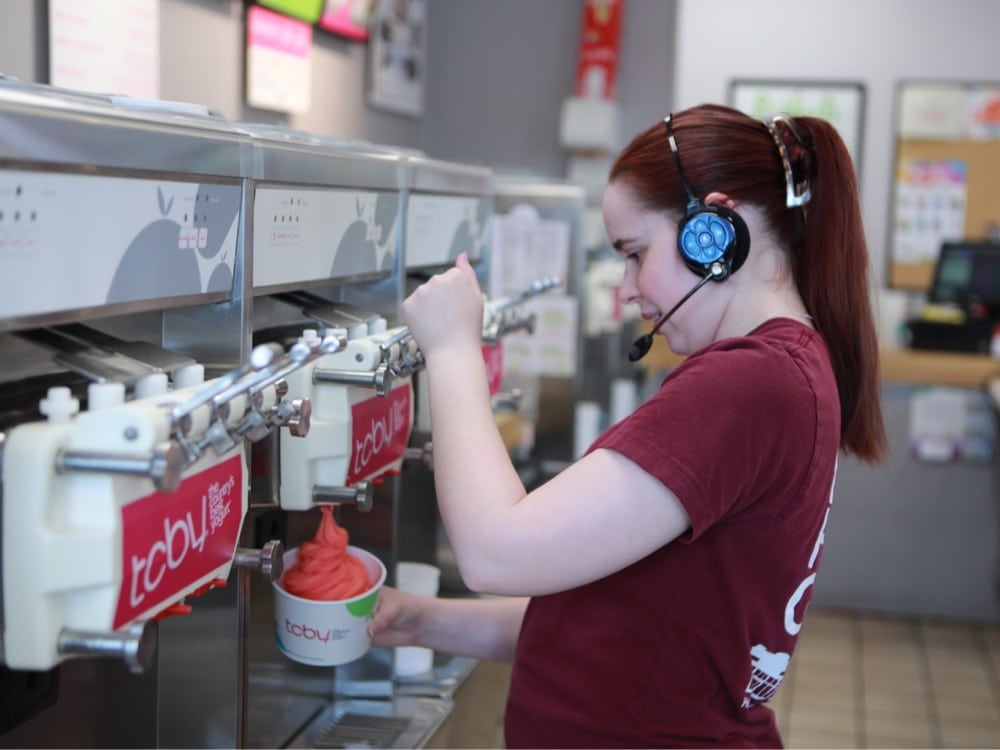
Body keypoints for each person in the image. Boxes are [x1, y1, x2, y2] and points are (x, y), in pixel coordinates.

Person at [369, 103, 886, 748]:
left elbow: (493, 551)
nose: (627, 290)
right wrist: (424, 621)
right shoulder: (783, 372)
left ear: (714, 231)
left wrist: (451, 350)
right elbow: (608, 614)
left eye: (636, 254)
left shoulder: (751, 385)